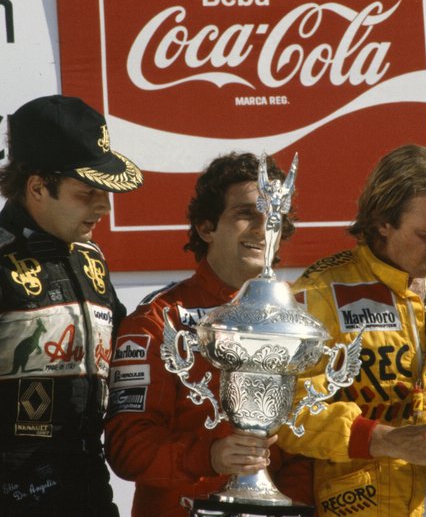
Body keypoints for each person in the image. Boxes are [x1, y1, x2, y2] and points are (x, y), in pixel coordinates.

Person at [0, 94, 144, 516]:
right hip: (4, 502)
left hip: (91, 497)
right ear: (37, 186)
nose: (103, 207)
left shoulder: (91, 261)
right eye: (87, 192)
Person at [276, 144, 426, 516]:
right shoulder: (322, 290)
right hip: (356, 505)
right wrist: (383, 440)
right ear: (383, 222)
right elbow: (289, 411)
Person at [104, 152, 313, 516]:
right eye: (246, 214)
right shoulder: (158, 320)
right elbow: (127, 447)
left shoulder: (298, 325)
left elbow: (307, 448)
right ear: (206, 227)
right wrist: (210, 456)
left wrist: (284, 504)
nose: (261, 230)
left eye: (272, 219)